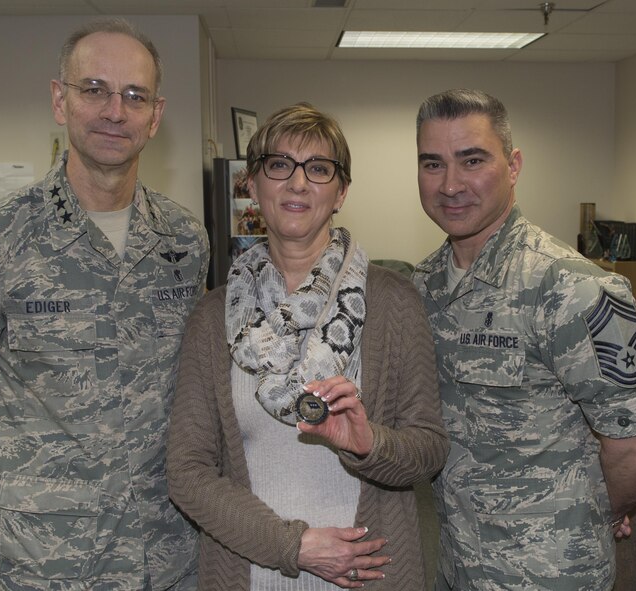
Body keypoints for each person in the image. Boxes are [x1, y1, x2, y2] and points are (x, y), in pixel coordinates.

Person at [0, 18, 209, 591]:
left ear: (156, 114)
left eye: (134, 95)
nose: (114, 111)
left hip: (164, 553)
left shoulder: (183, 241)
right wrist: (26, 493)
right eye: (93, 89)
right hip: (39, 563)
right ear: (60, 99)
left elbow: (189, 387)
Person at [167, 102, 449, 590]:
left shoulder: (395, 302)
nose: (298, 184)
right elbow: (187, 472)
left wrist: (367, 443)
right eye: (279, 165)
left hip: (371, 577)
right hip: (250, 574)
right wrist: (291, 546)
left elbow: (428, 450)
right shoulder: (213, 318)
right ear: (252, 185)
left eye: (318, 169)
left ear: (340, 192)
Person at [411, 88, 636, 591]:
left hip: (548, 574)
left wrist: (595, 511)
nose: (451, 184)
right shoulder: (425, 285)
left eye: (472, 160)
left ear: (513, 166)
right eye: (432, 163)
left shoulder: (573, 288)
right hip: (456, 562)